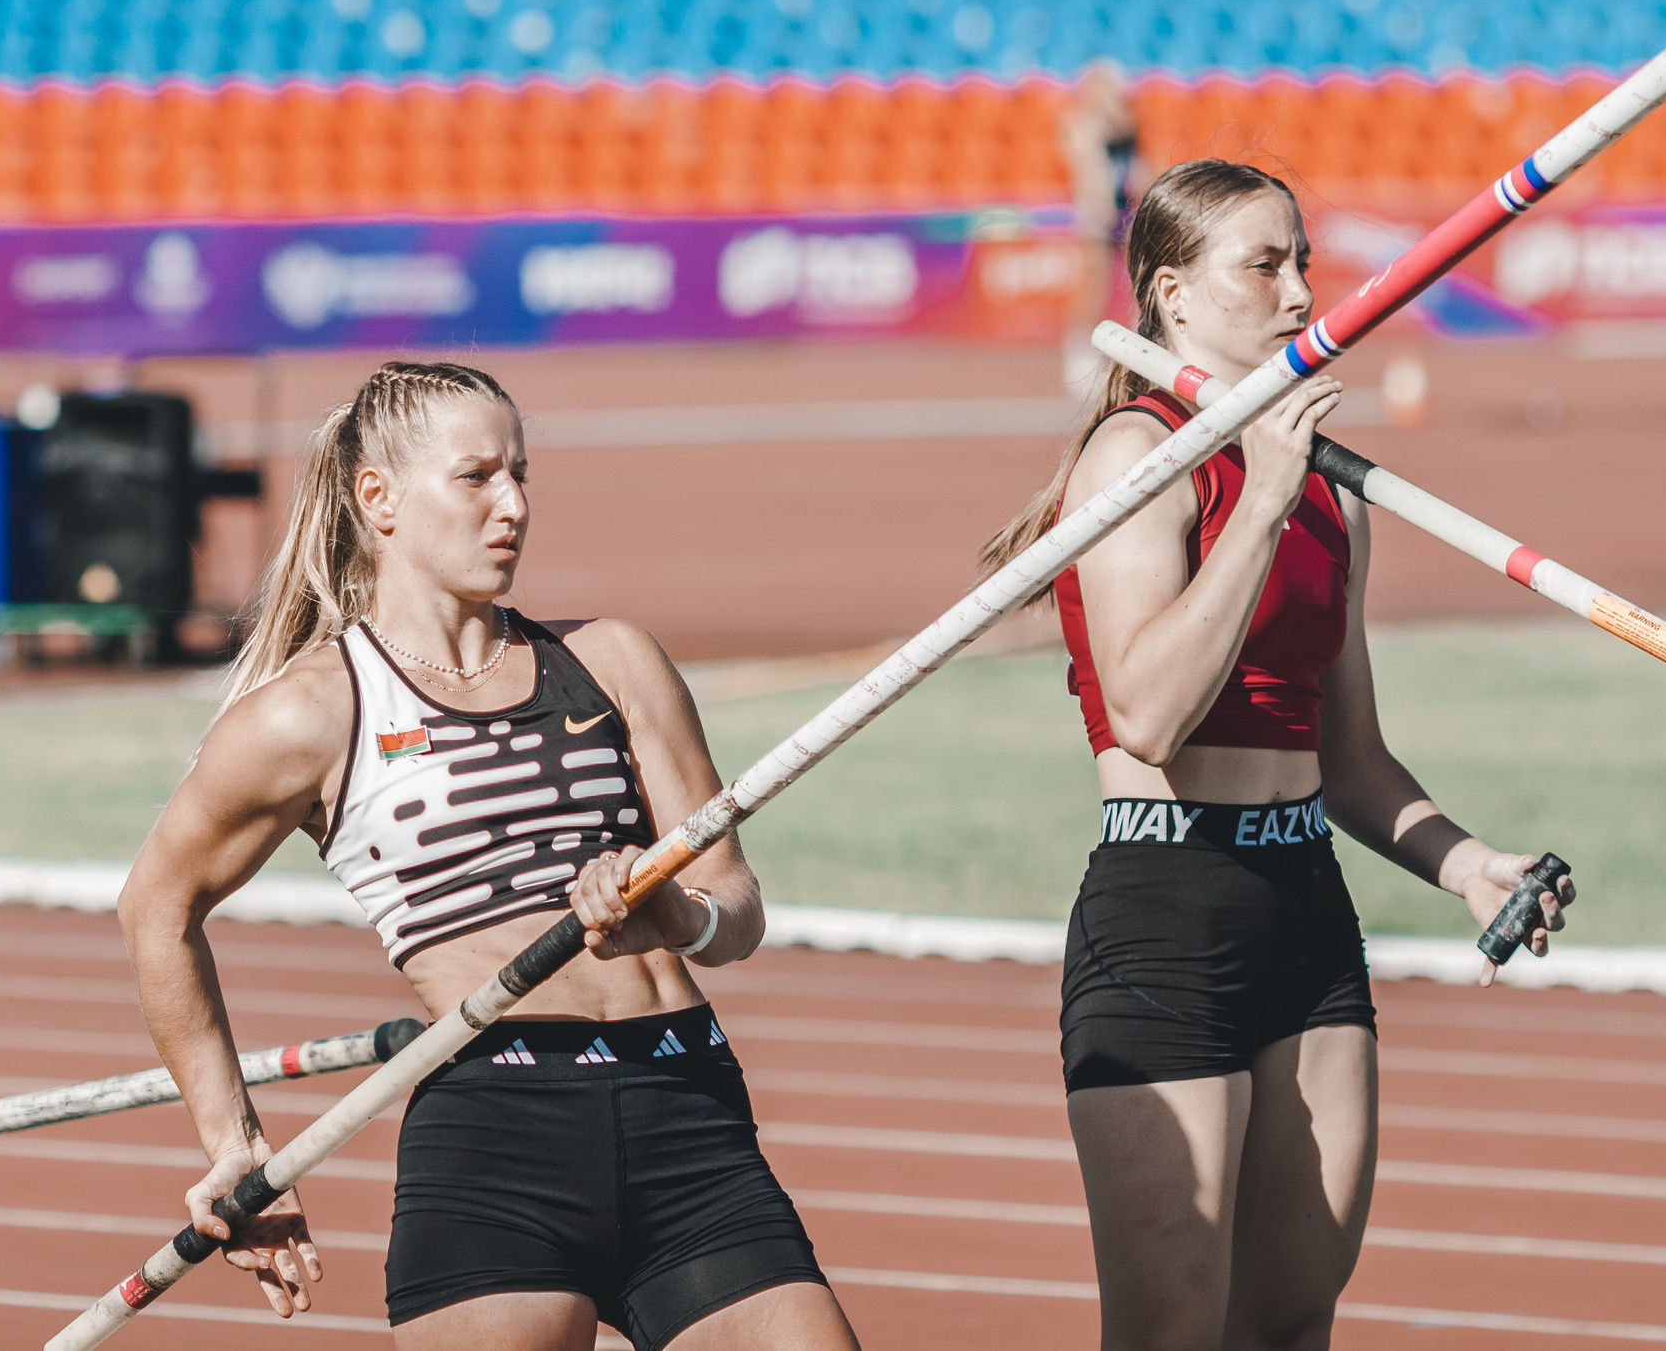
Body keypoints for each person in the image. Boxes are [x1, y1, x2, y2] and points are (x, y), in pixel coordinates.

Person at [119, 361, 856, 1351]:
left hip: (688, 1115)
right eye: (476, 478)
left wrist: (675, 916)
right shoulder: (311, 713)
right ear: (377, 498)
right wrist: (235, 1144)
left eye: (520, 474)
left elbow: (734, 906)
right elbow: (155, 908)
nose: (512, 506)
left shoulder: (611, 659)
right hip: (500, 1140)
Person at [980, 160, 1576, 1351]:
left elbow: (1349, 757)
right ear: (1172, 295)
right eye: (1265, 265)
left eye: (1302, 260)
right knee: (1169, 1337)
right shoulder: (1128, 466)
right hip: (1165, 914)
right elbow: (1148, 715)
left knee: (1290, 1324)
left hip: (1304, 911)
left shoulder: (1326, 496)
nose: (1305, 296)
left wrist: (1467, 868)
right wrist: (1255, 503)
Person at [1061, 59, 1142, 396]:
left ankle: (1140, 349)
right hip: (1098, 211)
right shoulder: (1083, 124)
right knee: (1094, 284)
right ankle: (1079, 351)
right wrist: (1100, 209)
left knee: (1137, 281)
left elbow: (1137, 167)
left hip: (1126, 208)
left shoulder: (1127, 126)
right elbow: (1089, 166)